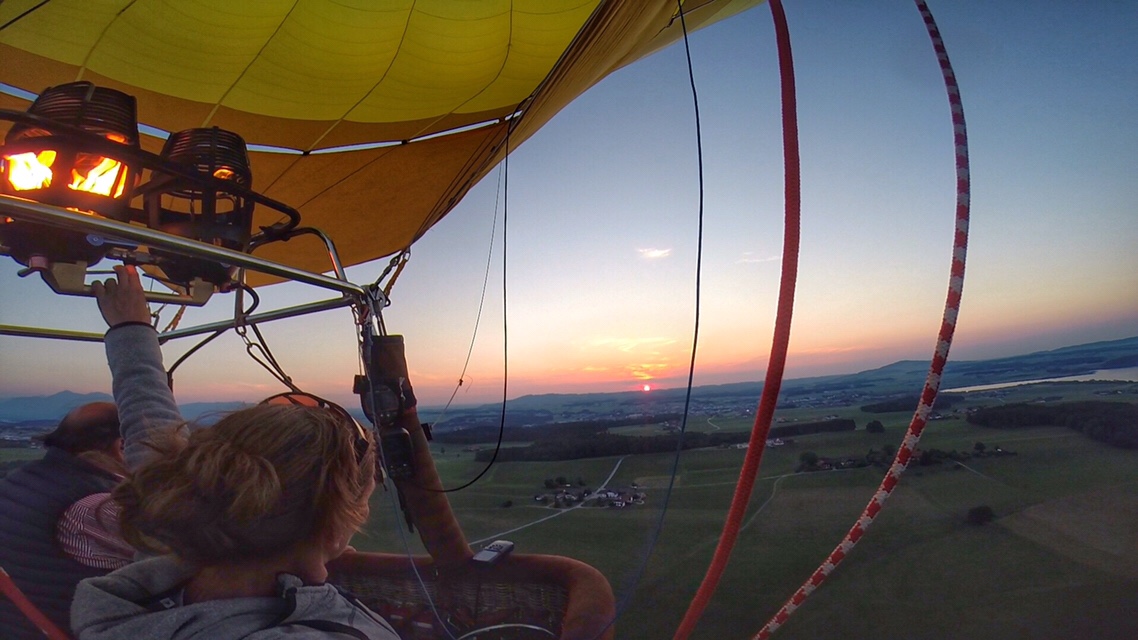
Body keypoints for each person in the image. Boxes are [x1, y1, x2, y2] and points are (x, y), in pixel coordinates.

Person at [70, 264, 398, 639]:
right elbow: (146, 423)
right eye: (362, 502)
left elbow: (148, 418)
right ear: (332, 528)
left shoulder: (167, 560)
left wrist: (130, 329)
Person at [0, 402, 133, 639]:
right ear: (121, 445)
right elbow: (169, 558)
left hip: (18, 625)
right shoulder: (94, 505)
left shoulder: (19, 479)